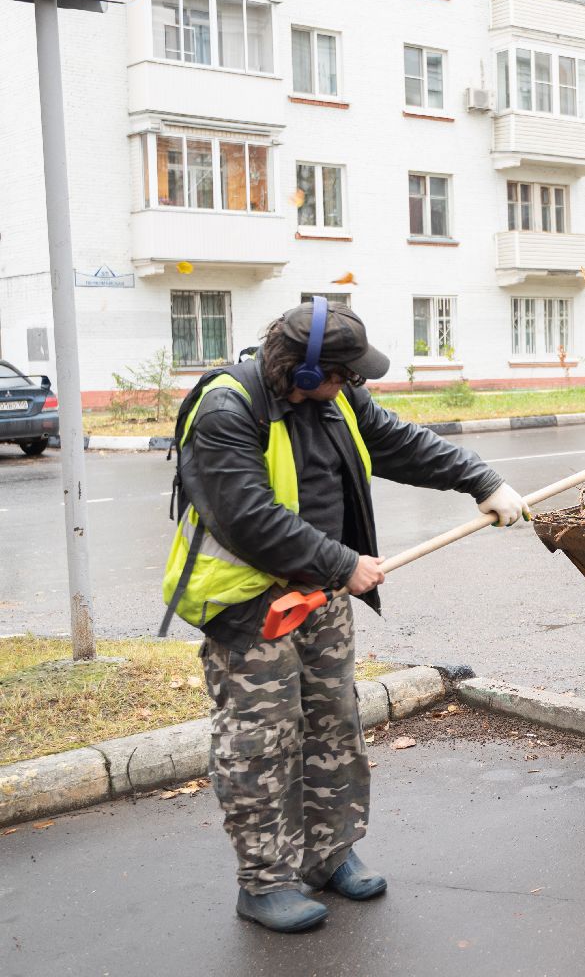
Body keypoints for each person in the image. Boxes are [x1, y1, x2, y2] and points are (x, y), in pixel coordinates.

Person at [161, 299, 531, 933]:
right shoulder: (227, 409)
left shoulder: (336, 399)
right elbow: (246, 515)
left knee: (333, 724)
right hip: (249, 607)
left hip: (321, 593)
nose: (352, 389)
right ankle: (265, 881)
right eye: (343, 377)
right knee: (261, 742)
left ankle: (327, 855)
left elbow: (400, 442)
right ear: (302, 374)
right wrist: (343, 563)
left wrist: (483, 480)